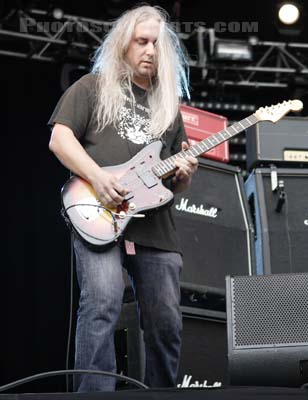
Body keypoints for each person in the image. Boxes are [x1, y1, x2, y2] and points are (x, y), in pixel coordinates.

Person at [48, 5, 198, 391]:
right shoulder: (92, 87)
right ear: (123, 45)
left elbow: (170, 182)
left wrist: (183, 177)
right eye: (142, 41)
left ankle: (161, 393)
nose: (150, 50)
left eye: (157, 44)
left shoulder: (169, 106)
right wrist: (98, 179)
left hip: (156, 226)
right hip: (99, 211)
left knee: (166, 320)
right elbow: (59, 140)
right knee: (102, 304)